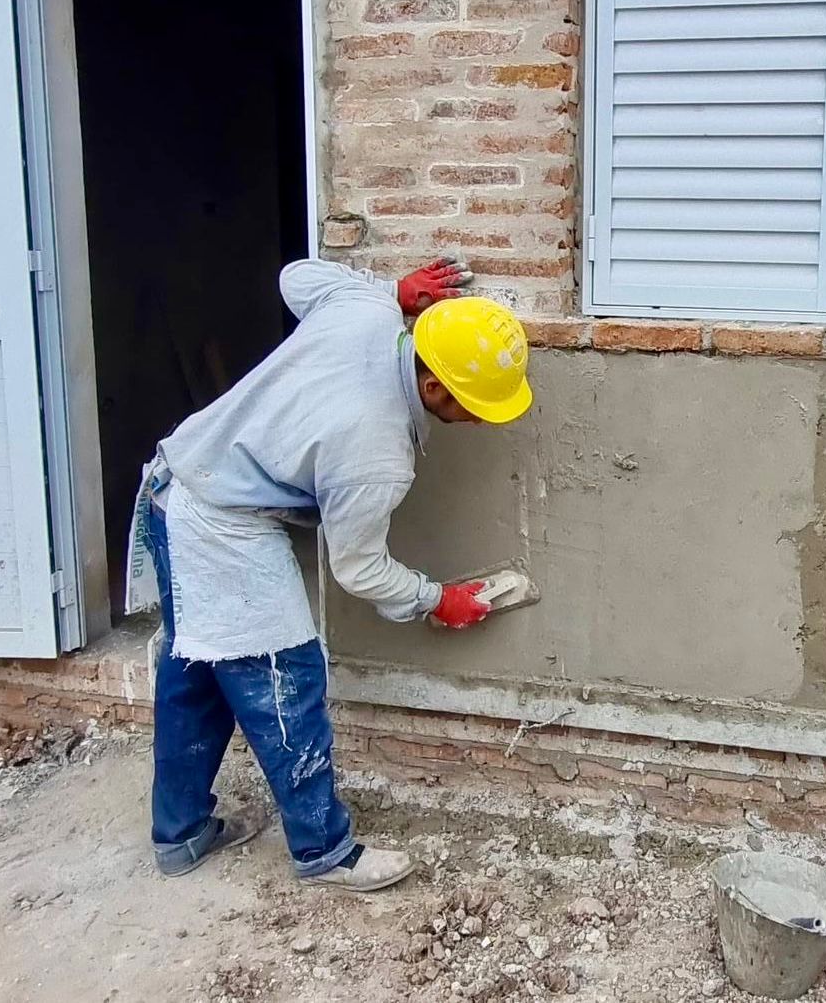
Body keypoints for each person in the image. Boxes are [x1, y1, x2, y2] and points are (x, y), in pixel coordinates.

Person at [124, 257, 532, 892]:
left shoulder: (368, 310)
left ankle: (179, 834)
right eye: (474, 407)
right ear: (432, 388)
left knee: (197, 674)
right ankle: (324, 851)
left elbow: (293, 278)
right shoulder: (375, 452)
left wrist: (388, 289)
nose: (480, 421)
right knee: (285, 677)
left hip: (173, 487)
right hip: (219, 524)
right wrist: (435, 599)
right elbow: (358, 568)